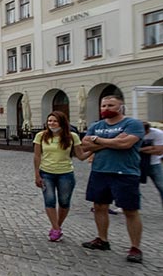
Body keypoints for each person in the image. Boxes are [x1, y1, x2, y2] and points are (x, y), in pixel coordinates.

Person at [80, 95, 146, 263]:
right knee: (99, 206)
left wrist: (98, 141)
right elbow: (86, 145)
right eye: (103, 105)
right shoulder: (96, 125)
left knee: (130, 210)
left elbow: (125, 145)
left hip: (125, 173)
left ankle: (135, 247)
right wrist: (112, 141)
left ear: (120, 107)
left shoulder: (132, 124)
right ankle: (102, 239)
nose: (106, 108)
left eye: (111, 105)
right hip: (100, 171)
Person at [33, 111, 87, 242]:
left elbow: (80, 156)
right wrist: (37, 174)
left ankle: (57, 225)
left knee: (64, 202)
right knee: (49, 200)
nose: (51, 124)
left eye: (54, 121)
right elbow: (37, 156)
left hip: (65, 173)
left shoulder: (72, 136)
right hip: (46, 173)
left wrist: (96, 149)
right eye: (49, 121)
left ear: (62, 122)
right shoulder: (41, 136)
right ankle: (56, 228)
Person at [140, 122, 163, 206]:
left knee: (161, 186)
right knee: (133, 187)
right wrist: (151, 147)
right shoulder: (134, 133)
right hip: (137, 163)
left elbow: (159, 151)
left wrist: (140, 150)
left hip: (154, 163)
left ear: (148, 130)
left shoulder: (157, 133)